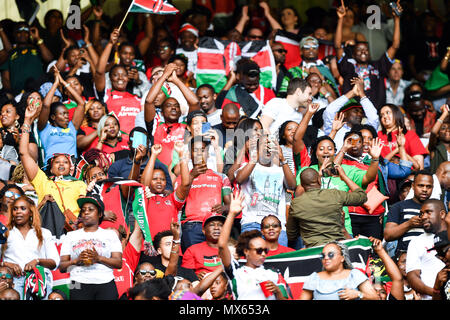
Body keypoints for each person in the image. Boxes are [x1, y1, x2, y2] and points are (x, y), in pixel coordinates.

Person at [217, 190, 290, 300]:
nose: (263, 254)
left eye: (265, 250)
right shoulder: (236, 271)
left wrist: (277, 291)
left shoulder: (273, 273)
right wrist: (232, 213)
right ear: (246, 251)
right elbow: (222, 245)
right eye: (259, 250)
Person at [19, 103, 87, 218]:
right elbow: (24, 153)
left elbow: (84, 209)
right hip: (48, 228)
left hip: (73, 230)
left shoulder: (79, 184)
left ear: (71, 168)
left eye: (65, 162)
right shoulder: (42, 181)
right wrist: (27, 121)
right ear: (50, 168)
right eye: (57, 162)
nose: (61, 164)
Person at [335, 3, 402, 109]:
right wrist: (340, 20)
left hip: (376, 113)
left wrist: (397, 19)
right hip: (355, 114)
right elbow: (338, 46)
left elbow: (395, 45)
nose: (363, 52)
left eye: (366, 50)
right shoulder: (348, 66)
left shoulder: (379, 65)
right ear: (353, 54)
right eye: (359, 50)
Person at [234, 130, 296, 246]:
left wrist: (283, 160)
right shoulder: (248, 167)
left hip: (277, 224)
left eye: (271, 144)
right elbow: (239, 179)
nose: (268, 147)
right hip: (252, 222)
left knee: (278, 260)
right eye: (265, 144)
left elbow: (292, 186)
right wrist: (255, 156)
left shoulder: (281, 169)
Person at [59, 194, 123, 300]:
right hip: (77, 282)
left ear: (100, 214)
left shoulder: (110, 235)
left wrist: (98, 258)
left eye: (91, 209)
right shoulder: (70, 236)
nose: (86, 212)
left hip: (105, 282)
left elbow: (118, 263)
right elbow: (62, 267)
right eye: (83, 210)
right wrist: (76, 261)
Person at [287, 167, 366, 248]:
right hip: (336, 247)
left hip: (313, 250)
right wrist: (344, 177)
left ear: (302, 184)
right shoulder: (334, 194)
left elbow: (291, 235)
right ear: (319, 180)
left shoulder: (296, 203)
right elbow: (362, 197)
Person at [176, 137, 231, 252]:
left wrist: (224, 207)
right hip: (192, 226)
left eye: (202, 150)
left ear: (208, 153)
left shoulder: (221, 177)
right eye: (195, 150)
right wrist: (191, 176)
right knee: (191, 265)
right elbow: (178, 202)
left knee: (216, 264)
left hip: (215, 226)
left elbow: (231, 206)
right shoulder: (182, 178)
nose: (199, 153)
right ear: (190, 154)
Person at [0, 196, 60, 299]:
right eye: (15, 209)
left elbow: (55, 262)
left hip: (39, 281)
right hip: (13, 283)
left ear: (31, 212)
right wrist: (6, 264)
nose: (18, 212)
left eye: (23, 208)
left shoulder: (44, 233)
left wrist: (37, 261)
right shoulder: (5, 233)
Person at [299, 241, 379, 300]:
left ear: (342, 258)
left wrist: (358, 294)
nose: (326, 258)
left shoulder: (354, 275)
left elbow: (375, 298)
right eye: (323, 255)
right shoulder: (314, 278)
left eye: (331, 254)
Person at [37, 67, 86, 163]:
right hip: (52, 169)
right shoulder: (45, 129)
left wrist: (64, 82)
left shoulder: (72, 127)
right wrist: (55, 84)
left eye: (67, 113)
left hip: (72, 168)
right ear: (53, 117)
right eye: (63, 114)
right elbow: (46, 105)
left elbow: (81, 103)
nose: (67, 116)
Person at [322, 77, 379, 151]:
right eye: (355, 111)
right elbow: (329, 111)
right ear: (344, 114)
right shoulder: (334, 128)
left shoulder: (363, 132)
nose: (359, 114)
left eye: (361, 113)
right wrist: (352, 93)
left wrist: (362, 94)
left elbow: (374, 118)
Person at [406, 199, 447, 300]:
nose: (423, 217)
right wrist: (436, 292)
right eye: (421, 214)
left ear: (442, 214)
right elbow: (412, 276)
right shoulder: (416, 241)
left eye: (428, 212)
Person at [384, 170, 434, 254]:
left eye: (428, 186)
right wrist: (409, 224)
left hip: (431, 256)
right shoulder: (399, 206)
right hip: (405, 256)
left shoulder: (436, 207)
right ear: (413, 186)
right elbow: (388, 235)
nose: (425, 189)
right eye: (421, 186)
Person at [377, 103, 428, 169]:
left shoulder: (410, 135)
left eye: (388, 113)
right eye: (382, 115)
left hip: (408, 175)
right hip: (384, 174)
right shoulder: (378, 135)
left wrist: (401, 149)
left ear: (396, 114)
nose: (385, 116)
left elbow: (420, 167)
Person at [181, 212, 225, 278]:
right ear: (204, 230)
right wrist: (195, 277)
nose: (216, 228)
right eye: (212, 225)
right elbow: (185, 275)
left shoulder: (232, 249)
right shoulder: (192, 250)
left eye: (220, 225)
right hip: (201, 285)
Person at [429, 104, 450, 173]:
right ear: (438, 134)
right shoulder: (435, 148)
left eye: (449, 128)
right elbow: (433, 132)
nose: (447, 130)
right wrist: (444, 113)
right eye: (443, 128)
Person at [430, 230, 450, 300]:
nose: (441, 258)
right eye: (439, 254)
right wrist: (436, 287)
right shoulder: (443, 274)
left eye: (443, 252)